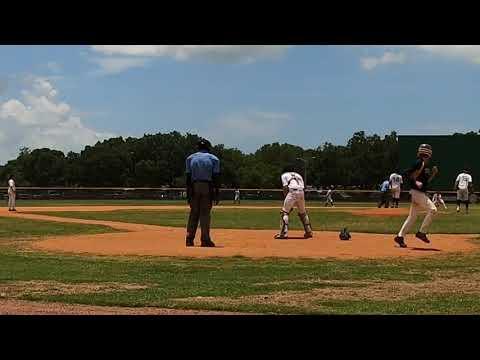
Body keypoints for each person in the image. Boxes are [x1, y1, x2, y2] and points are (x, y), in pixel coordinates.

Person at [394, 144, 438, 248]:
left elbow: (425, 182)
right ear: (428, 153)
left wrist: (433, 174)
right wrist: (415, 182)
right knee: (433, 210)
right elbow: (406, 173)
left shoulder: (423, 165)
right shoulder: (419, 163)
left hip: (418, 193)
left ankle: (400, 237)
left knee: (412, 217)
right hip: (417, 193)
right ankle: (421, 233)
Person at [185, 139, 220, 247]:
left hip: (194, 186)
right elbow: (215, 178)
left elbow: (188, 177)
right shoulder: (214, 159)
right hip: (207, 186)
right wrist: (216, 193)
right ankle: (205, 239)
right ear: (208, 148)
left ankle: (189, 239)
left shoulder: (190, 158)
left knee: (193, 213)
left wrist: (188, 193)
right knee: (205, 214)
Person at [275, 165, 313, 239]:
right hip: (301, 192)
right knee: (303, 213)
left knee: (284, 212)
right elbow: (303, 187)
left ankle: (283, 233)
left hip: (292, 191)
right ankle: (308, 232)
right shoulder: (298, 175)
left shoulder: (284, 175)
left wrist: (287, 199)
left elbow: (285, 187)